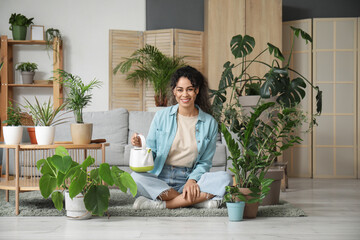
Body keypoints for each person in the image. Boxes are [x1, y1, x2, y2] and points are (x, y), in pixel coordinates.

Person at [130, 65, 232, 209]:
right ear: (174, 91)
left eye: (190, 89)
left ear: (197, 90)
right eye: (180, 90)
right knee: (134, 178)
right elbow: (151, 152)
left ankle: (161, 205)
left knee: (226, 179)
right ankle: (196, 202)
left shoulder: (210, 123)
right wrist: (141, 146)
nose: (185, 94)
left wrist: (192, 181)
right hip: (161, 177)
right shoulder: (161, 116)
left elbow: (205, 162)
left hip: (190, 178)